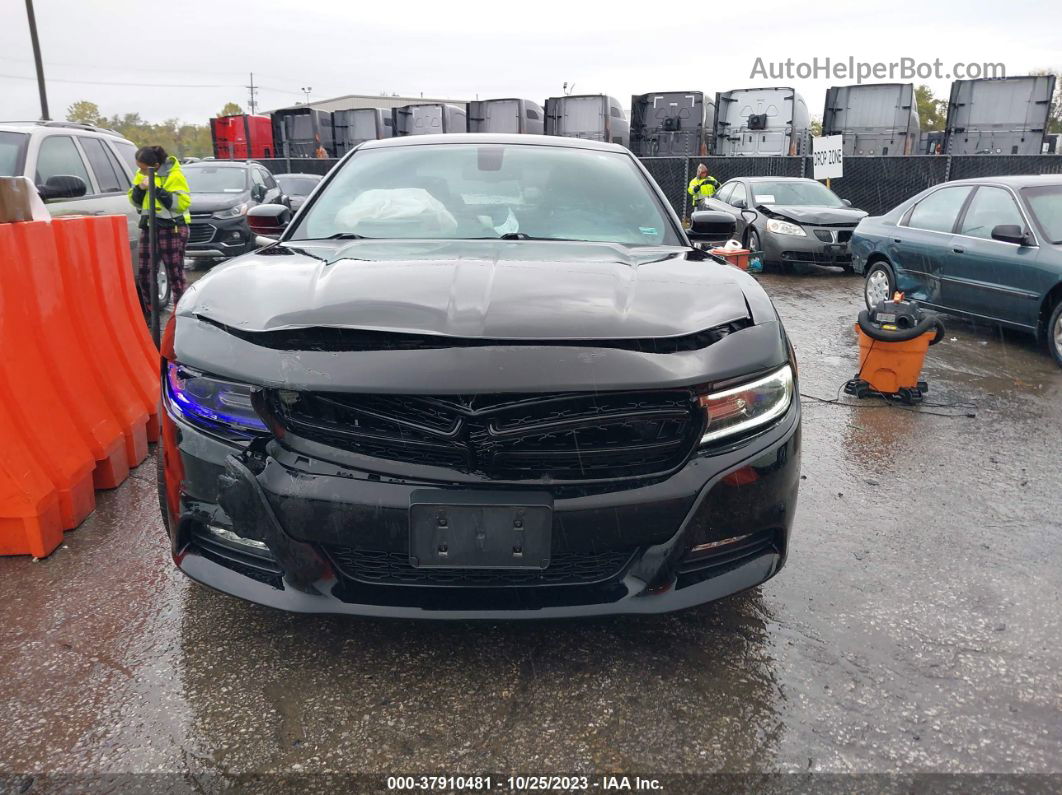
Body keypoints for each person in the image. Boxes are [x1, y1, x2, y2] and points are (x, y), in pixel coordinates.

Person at [127, 145, 191, 313]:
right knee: (145, 272)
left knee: (174, 273)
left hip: (172, 227)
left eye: (142, 168)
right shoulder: (142, 175)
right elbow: (135, 201)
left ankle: (181, 311)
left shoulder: (174, 175)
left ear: (155, 166)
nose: (139, 172)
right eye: (138, 167)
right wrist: (140, 188)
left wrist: (156, 189)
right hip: (150, 226)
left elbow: (181, 203)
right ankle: (151, 308)